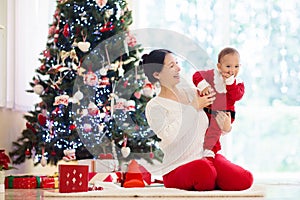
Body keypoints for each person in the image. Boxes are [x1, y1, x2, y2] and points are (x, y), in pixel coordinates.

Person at [143, 49, 253, 191]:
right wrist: (193, 108)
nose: (178, 68)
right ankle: (210, 178)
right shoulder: (155, 106)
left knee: (244, 179)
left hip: (207, 157)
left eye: (177, 63)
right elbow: (170, 137)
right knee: (205, 171)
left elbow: (210, 121)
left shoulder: (191, 92)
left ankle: (211, 178)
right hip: (178, 166)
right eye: (171, 66)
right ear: (157, 74)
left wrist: (226, 127)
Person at [192, 47, 244, 158]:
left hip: (225, 113)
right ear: (219, 67)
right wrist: (203, 85)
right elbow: (196, 75)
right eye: (228, 66)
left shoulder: (238, 82)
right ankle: (198, 149)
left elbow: (237, 96)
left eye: (236, 66)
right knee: (200, 125)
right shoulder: (212, 75)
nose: (232, 70)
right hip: (208, 109)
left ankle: (210, 150)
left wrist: (230, 83)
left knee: (214, 129)